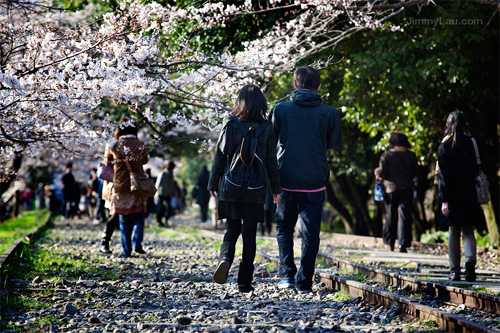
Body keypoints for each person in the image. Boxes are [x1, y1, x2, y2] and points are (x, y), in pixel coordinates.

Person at [271, 66, 341, 294]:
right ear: (318, 86)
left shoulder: (280, 110)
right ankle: (304, 282)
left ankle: (286, 276)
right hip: (315, 180)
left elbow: (270, 143)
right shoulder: (329, 113)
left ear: (294, 85)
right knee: (311, 233)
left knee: (284, 227)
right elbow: (333, 143)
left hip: (286, 179)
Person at [208, 84, 281, 293]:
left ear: (239, 102)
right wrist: (276, 188)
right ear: (261, 103)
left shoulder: (230, 123)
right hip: (256, 189)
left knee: (232, 229)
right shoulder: (266, 127)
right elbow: (270, 161)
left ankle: (225, 259)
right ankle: (244, 281)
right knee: (250, 234)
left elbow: (220, 156)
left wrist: (213, 183)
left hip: (231, 187)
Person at [437, 111, 489, 282]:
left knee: (454, 232)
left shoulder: (444, 148)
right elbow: (484, 167)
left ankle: (455, 271)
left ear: (447, 127)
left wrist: (444, 201)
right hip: (470, 194)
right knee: (468, 232)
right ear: (467, 125)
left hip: (452, 197)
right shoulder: (475, 145)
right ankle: (470, 263)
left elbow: (442, 179)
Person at [105, 117, 149, 257]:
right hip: (137, 185)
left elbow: (107, 163)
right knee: (138, 216)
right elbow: (145, 160)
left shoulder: (113, 145)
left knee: (123, 218)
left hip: (121, 186)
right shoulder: (140, 144)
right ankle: (137, 244)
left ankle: (126, 250)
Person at [374, 132, 418, 253]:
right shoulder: (411, 155)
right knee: (405, 216)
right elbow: (415, 172)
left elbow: (382, 173)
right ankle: (403, 245)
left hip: (391, 189)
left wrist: (376, 171)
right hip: (407, 188)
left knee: (390, 216)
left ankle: (390, 244)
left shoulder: (387, 155)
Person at [155, 161, 177, 227]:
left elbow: (172, 185)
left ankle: (166, 221)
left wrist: (173, 193)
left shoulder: (171, 174)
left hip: (168, 194)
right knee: (161, 208)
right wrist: (157, 193)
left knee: (168, 208)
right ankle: (159, 221)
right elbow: (158, 183)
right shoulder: (163, 173)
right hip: (161, 193)